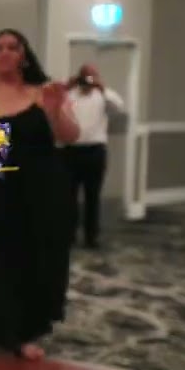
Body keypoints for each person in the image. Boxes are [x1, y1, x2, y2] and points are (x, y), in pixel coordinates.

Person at [0, 29, 78, 360]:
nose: (6, 53)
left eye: (13, 47)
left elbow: (70, 136)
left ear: (24, 55)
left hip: (40, 191)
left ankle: (25, 331)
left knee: (32, 257)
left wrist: (55, 109)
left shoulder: (41, 93)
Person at [63, 63, 125, 249]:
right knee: (68, 197)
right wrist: (67, 86)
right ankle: (69, 235)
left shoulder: (103, 95)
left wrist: (102, 87)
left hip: (95, 152)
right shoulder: (70, 94)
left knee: (93, 196)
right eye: (85, 76)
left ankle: (92, 237)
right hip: (71, 151)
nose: (88, 80)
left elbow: (119, 108)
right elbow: (52, 105)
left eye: (92, 76)